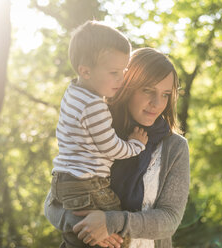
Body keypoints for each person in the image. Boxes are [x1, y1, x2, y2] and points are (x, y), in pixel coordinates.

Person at [45, 47, 190, 248]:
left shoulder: (175, 148)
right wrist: (88, 227)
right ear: (126, 87)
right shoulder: (97, 130)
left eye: (165, 94)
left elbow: (169, 219)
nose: (157, 103)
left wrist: (111, 223)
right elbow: (53, 204)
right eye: (148, 90)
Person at [49, 20, 148, 248]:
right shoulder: (94, 106)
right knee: (115, 233)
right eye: (114, 72)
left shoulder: (73, 92)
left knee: (83, 238)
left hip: (64, 179)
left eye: (123, 71)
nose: (121, 79)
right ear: (86, 71)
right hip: (87, 183)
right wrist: (135, 144)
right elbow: (110, 146)